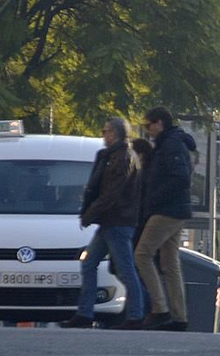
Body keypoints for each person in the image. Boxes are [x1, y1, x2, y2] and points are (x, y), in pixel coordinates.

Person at [64, 117, 147, 329]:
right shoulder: (110, 155)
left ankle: (136, 315)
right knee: (89, 263)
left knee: (126, 270)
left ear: (117, 134)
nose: (104, 135)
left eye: (107, 131)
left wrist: (91, 213)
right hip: (110, 221)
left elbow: (112, 192)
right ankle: (85, 313)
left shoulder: (123, 157)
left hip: (118, 221)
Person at [133, 106, 196, 331]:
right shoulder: (170, 143)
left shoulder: (170, 144)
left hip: (167, 210)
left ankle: (160, 309)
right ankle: (179, 317)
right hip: (175, 210)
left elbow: (180, 177)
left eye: (148, 125)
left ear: (159, 123)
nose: (147, 130)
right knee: (170, 264)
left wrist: (155, 198)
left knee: (142, 255)